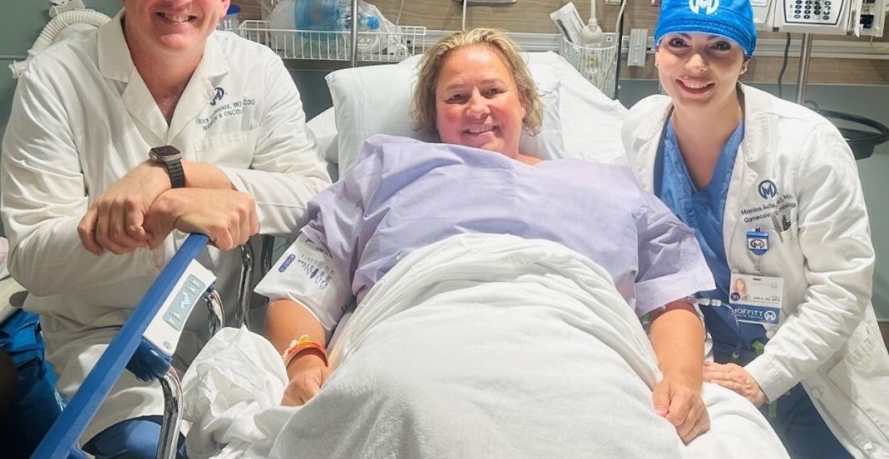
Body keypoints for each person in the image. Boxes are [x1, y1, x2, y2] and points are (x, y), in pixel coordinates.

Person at [257, 27, 718, 447]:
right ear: (433, 116)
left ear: (523, 101)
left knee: (600, 414)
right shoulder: (388, 170)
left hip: (576, 337)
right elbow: (301, 285)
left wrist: (681, 378)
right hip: (417, 330)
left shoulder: (607, 184)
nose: (476, 107)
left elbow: (673, 300)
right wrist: (303, 358)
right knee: (401, 396)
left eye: (492, 91)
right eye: (456, 97)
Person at [0, 0, 332, 458]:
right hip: (101, 334)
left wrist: (174, 177)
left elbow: (313, 198)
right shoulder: (54, 81)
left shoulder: (257, 70)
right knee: (142, 448)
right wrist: (156, 218)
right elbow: (31, 257)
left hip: (224, 332)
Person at [621, 0, 889, 458]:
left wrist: (760, 377)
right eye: (678, 43)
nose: (695, 65)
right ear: (656, 52)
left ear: (745, 59)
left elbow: (843, 287)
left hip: (808, 365)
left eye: (719, 47)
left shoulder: (807, 145)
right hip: (697, 359)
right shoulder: (640, 131)